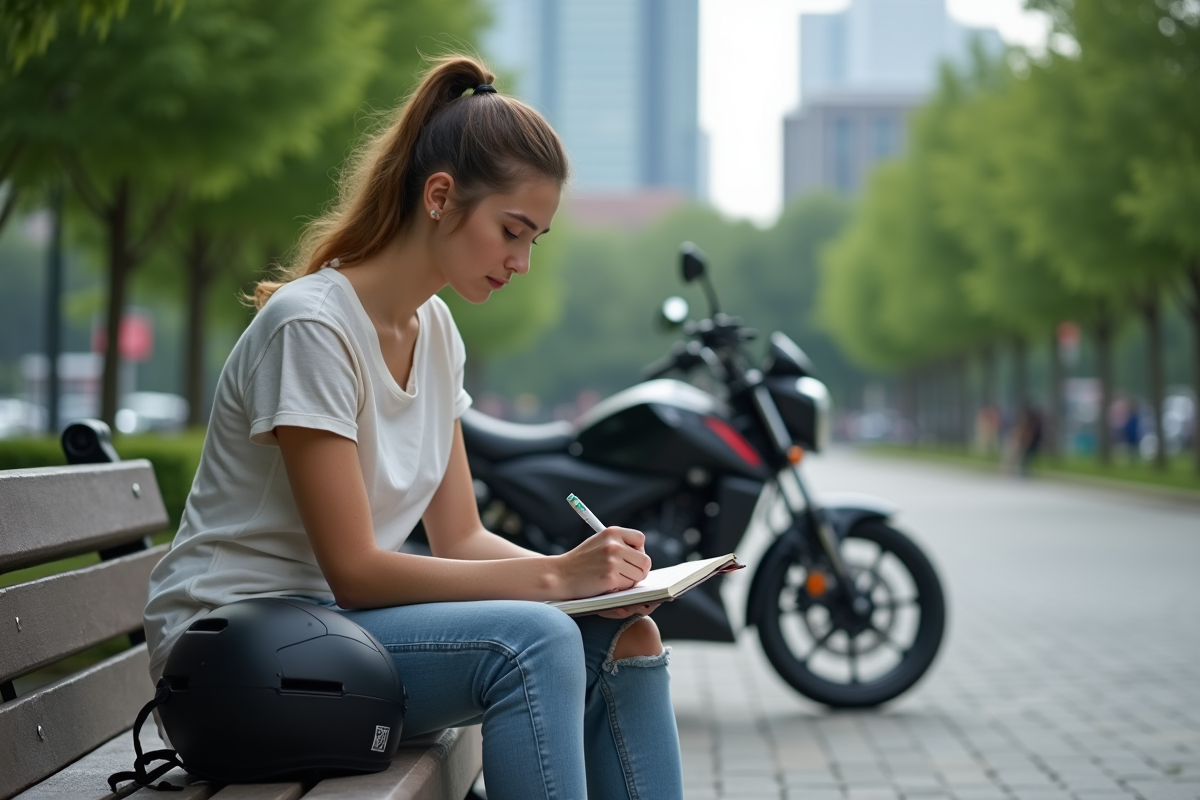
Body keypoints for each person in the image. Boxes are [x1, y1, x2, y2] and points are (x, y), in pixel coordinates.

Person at [143, 56, 684, 800]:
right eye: (511, 231)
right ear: (439, 197)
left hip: (333, 639)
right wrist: (557, 581)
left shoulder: (436, 333)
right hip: (232, 657)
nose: (522, 261)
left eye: (537, 240)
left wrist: (594, 585)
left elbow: (460, 537)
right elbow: (357, 571)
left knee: (626, 636)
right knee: (539, 641)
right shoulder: (312, 327)